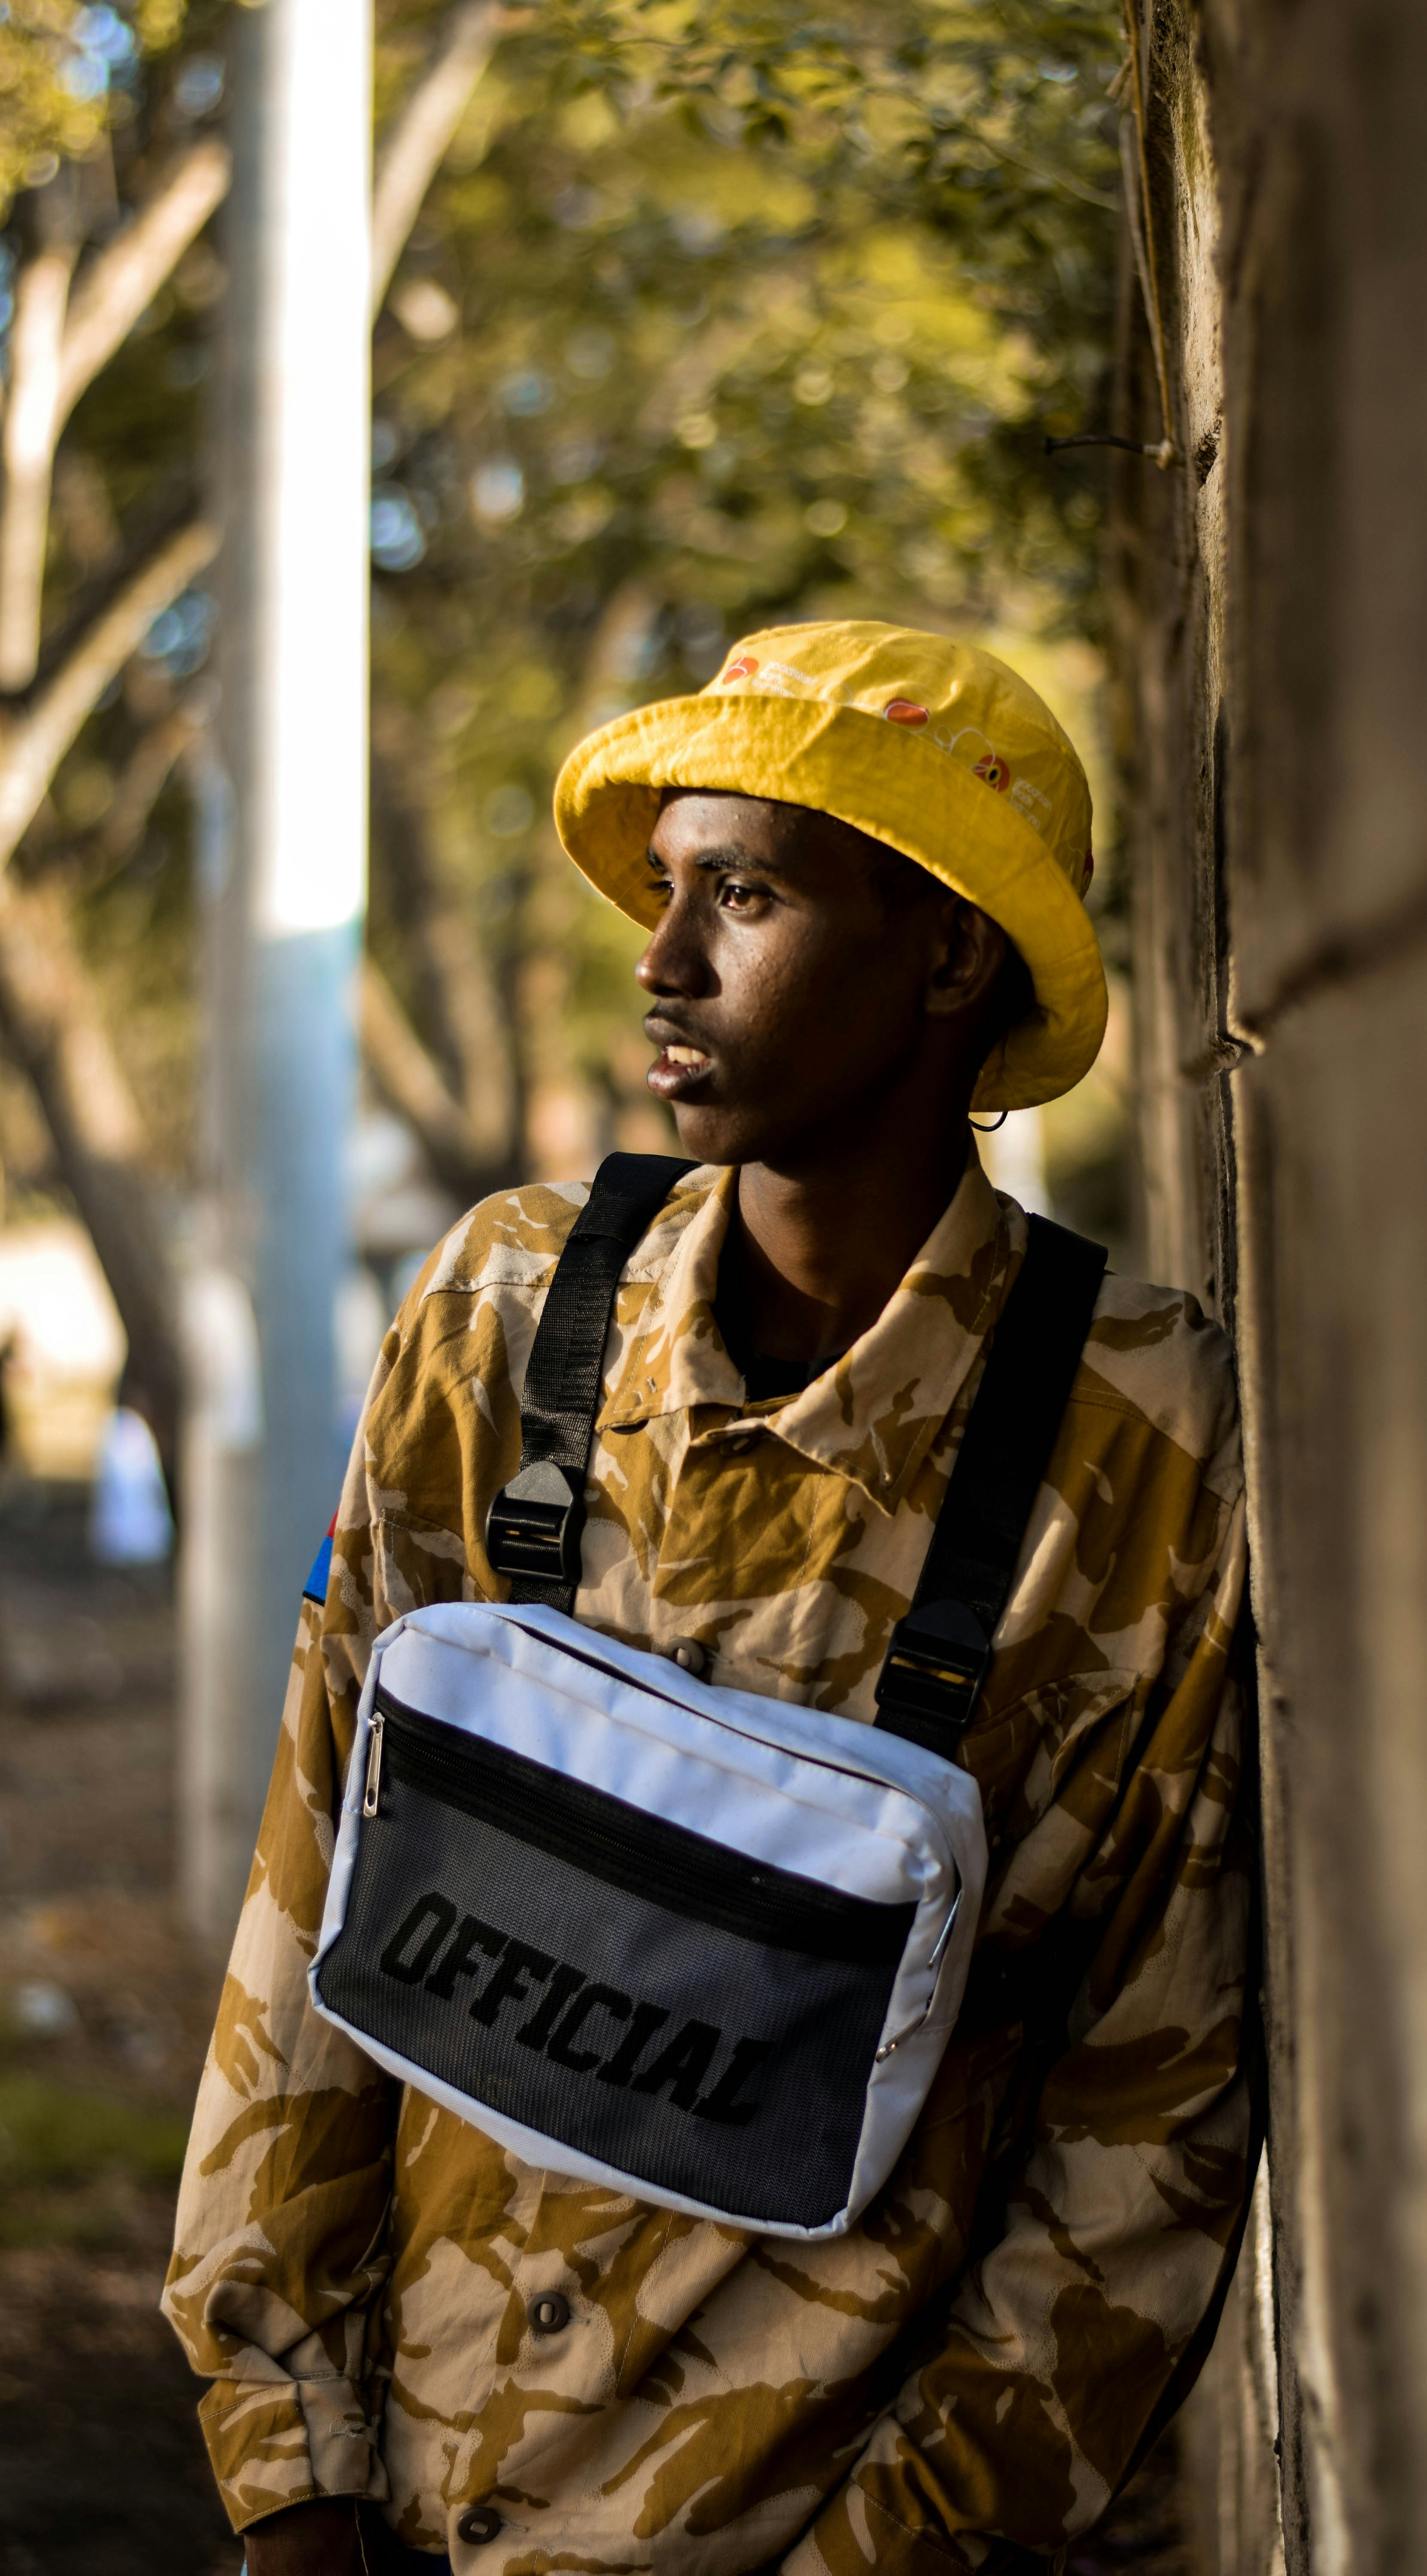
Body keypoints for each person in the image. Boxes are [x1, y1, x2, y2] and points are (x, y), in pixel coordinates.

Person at [165, 622, 1256, 2574]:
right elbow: (314, 1878)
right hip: (398, 2515)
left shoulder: (1144, 1443)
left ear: (945, 956)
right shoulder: (504, 1318)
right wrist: (291, 2471)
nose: (662, 962)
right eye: (665, 891)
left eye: (742, 896)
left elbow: (1140, 2118)